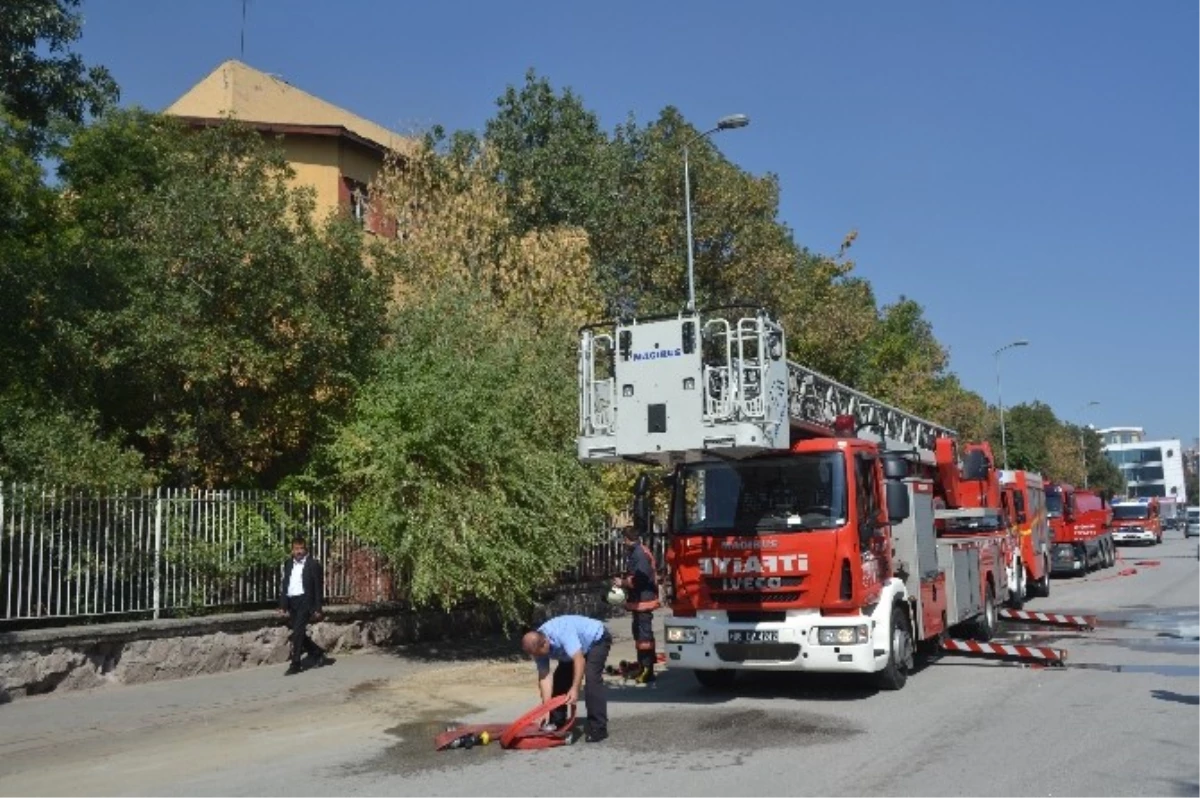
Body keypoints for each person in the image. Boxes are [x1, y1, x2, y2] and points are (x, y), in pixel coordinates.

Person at [520, 615, 612, 743]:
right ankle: (557, 722)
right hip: (571, 652)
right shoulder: (537, 646)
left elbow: (579, 660)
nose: (538, 657)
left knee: (592, 679)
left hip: (596, 640)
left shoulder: (561, 632)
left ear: (545, 643)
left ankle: (598, 728)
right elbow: (544, 676)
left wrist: (575, 688)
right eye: (535, 655)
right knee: (559, 681)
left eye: (540, 654)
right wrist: (546, 708)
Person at [277, 535, 332, 675]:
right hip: (292, 601)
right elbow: (285, 584)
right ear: (292, 550)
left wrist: (318, 608)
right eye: (296, 549)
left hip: (305, 601)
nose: (299, 551)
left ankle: (295, 663)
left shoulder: (313, 565)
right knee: (298, 632)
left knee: (298, 632)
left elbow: (318, 588)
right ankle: (317, 651)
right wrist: (283, 605)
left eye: (301, 548)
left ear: (306, 550)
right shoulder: (288, 564)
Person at [614, 525, 659, 684]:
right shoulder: (637, 552)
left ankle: (647, 671)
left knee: (644, 637)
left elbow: (640, 578)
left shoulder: (639, 554)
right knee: (640, 636)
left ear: (626, 539)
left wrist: (623, 582)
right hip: (640, 601)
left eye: (623, 539)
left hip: (643, 601)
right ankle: (643, 666)